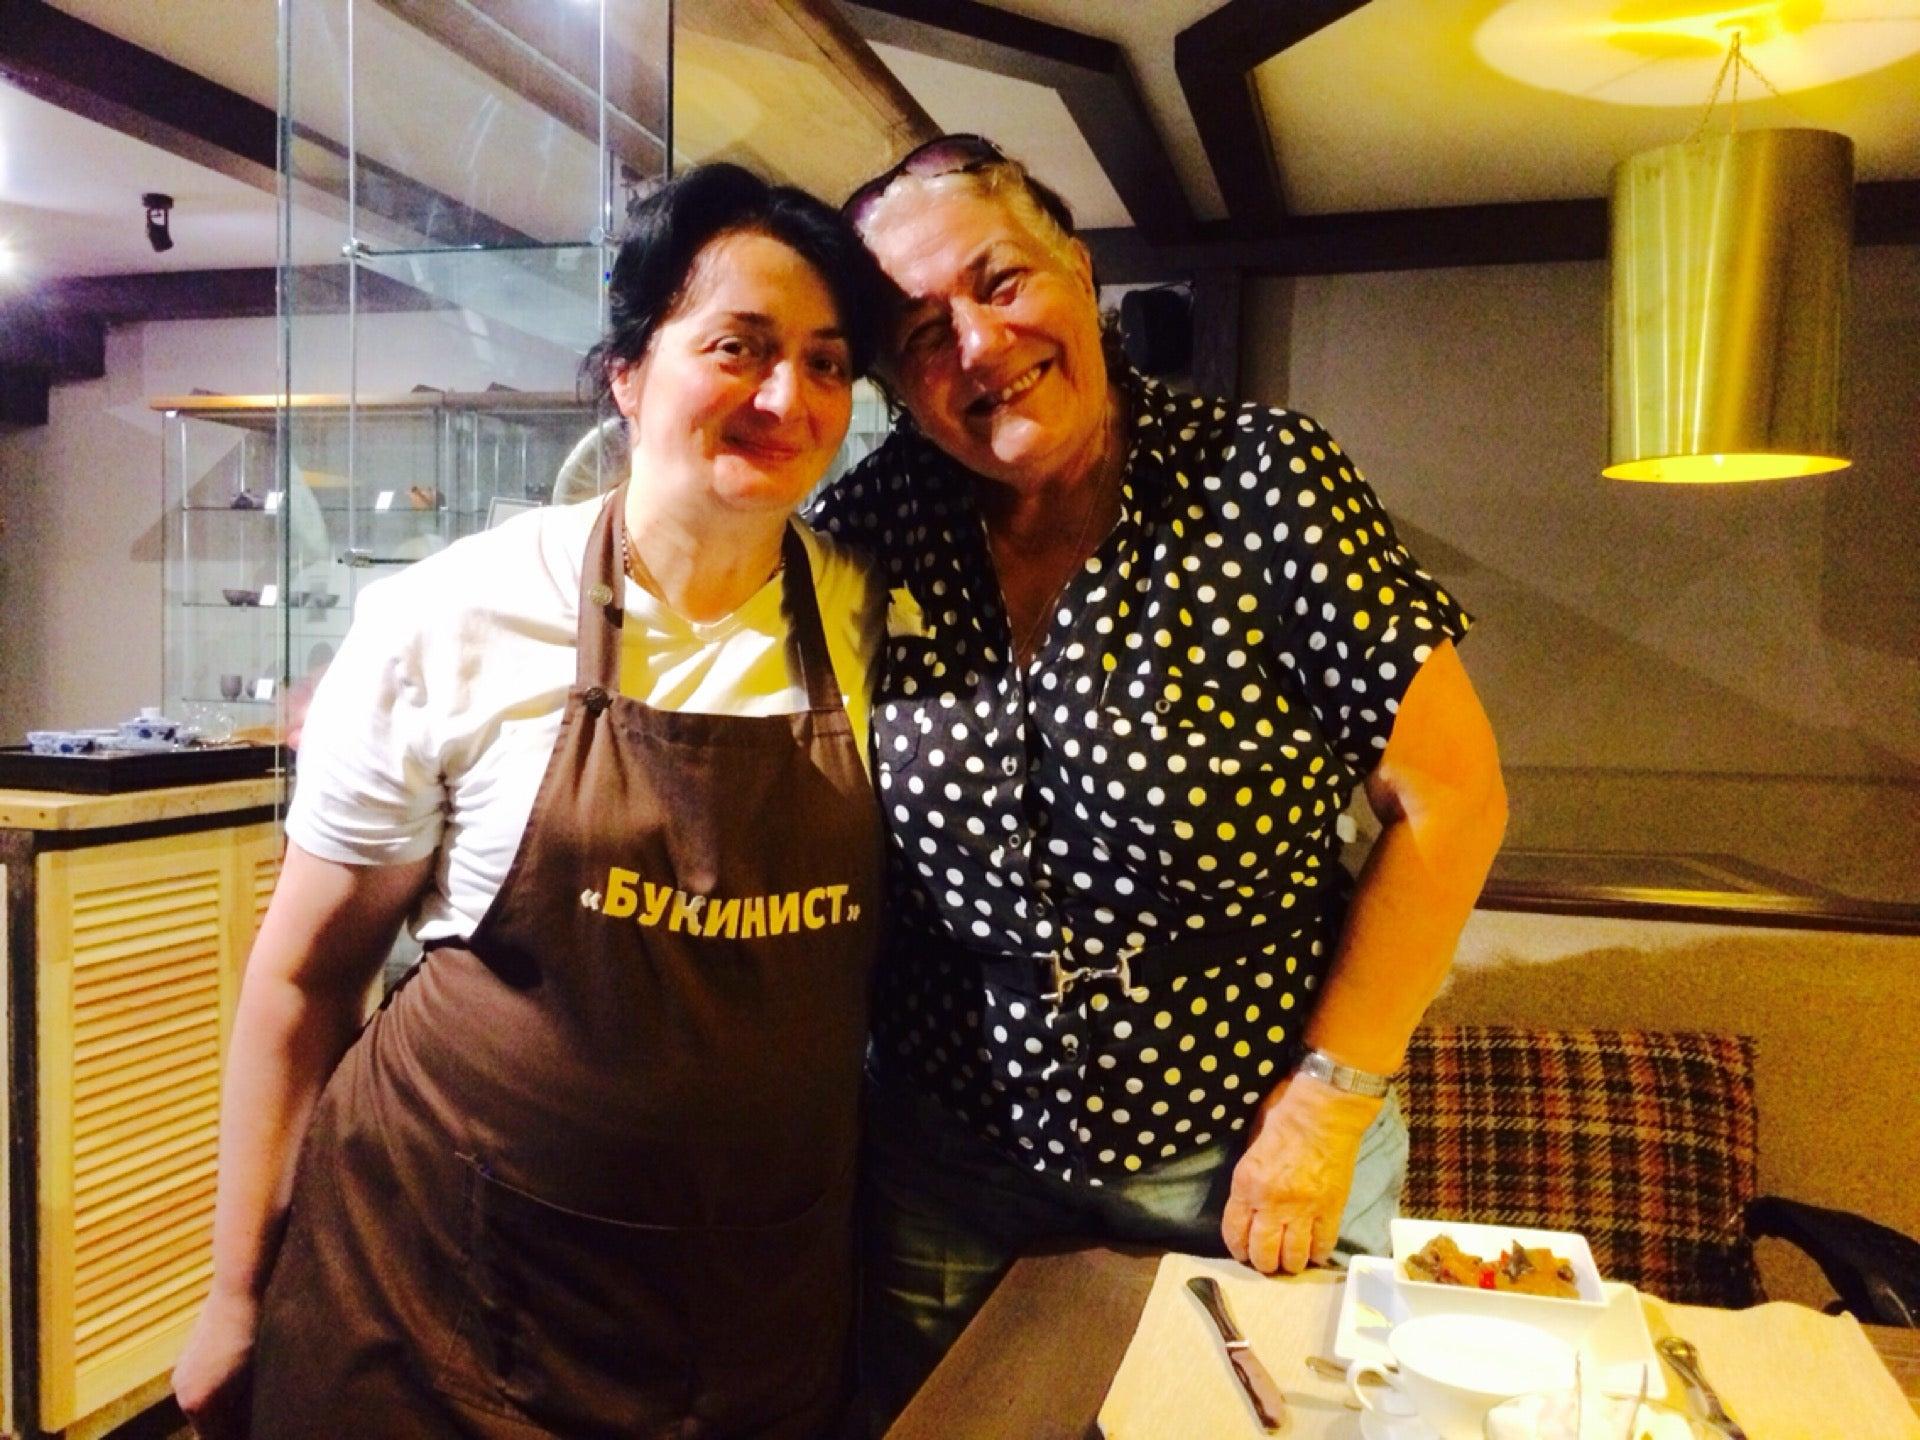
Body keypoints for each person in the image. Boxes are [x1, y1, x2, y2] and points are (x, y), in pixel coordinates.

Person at [172, 163, 890, 1440]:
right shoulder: (451, 614)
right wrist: (236, 1290)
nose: (788, 398)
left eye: (827, 364)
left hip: (749, 1307)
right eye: (739, 347)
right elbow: (305, 982)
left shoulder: (879, 617)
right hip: (442, 1289)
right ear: (629, 371)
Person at [811, 135, 1508, 1427]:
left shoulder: (1264, 481)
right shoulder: (863, 530)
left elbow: (1453, 801)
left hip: (1249, 1157)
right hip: (950, 1167)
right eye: (920, 333)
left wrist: (1328, 1108)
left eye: (1000, 281)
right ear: (893, 384)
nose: (978, 344)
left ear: (1080, 273)